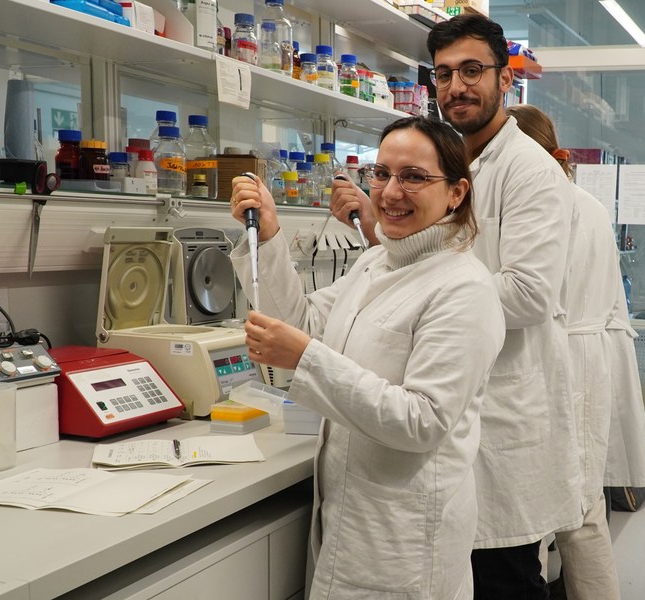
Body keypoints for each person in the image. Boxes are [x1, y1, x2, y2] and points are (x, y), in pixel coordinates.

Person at [332, 14, 581, 598]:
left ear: (505, 79)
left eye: (472, 71)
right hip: (441, 412)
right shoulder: (446, 160)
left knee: (504, 577)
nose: (456, 87)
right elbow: (425, 257)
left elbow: (530, 293)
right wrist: (390, 242)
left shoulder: (530, 171)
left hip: (501, 414)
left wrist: (438, 292)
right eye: (443, 74)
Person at [227, 116, 505, 599]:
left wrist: (308, 359)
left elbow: (423, 420)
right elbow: (301, 322)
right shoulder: (378, 261)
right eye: (381, 174)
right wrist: (269, 236)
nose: (391, 192)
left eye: (413, 177)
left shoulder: (464, 289)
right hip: (350, 513)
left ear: (456, 193)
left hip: (404, 536)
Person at [506, 103, 622, 599]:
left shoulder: (538, 205)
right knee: (581, 509)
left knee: (535, 512)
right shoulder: (590, 204)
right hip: (588, 360)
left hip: (551, 359)